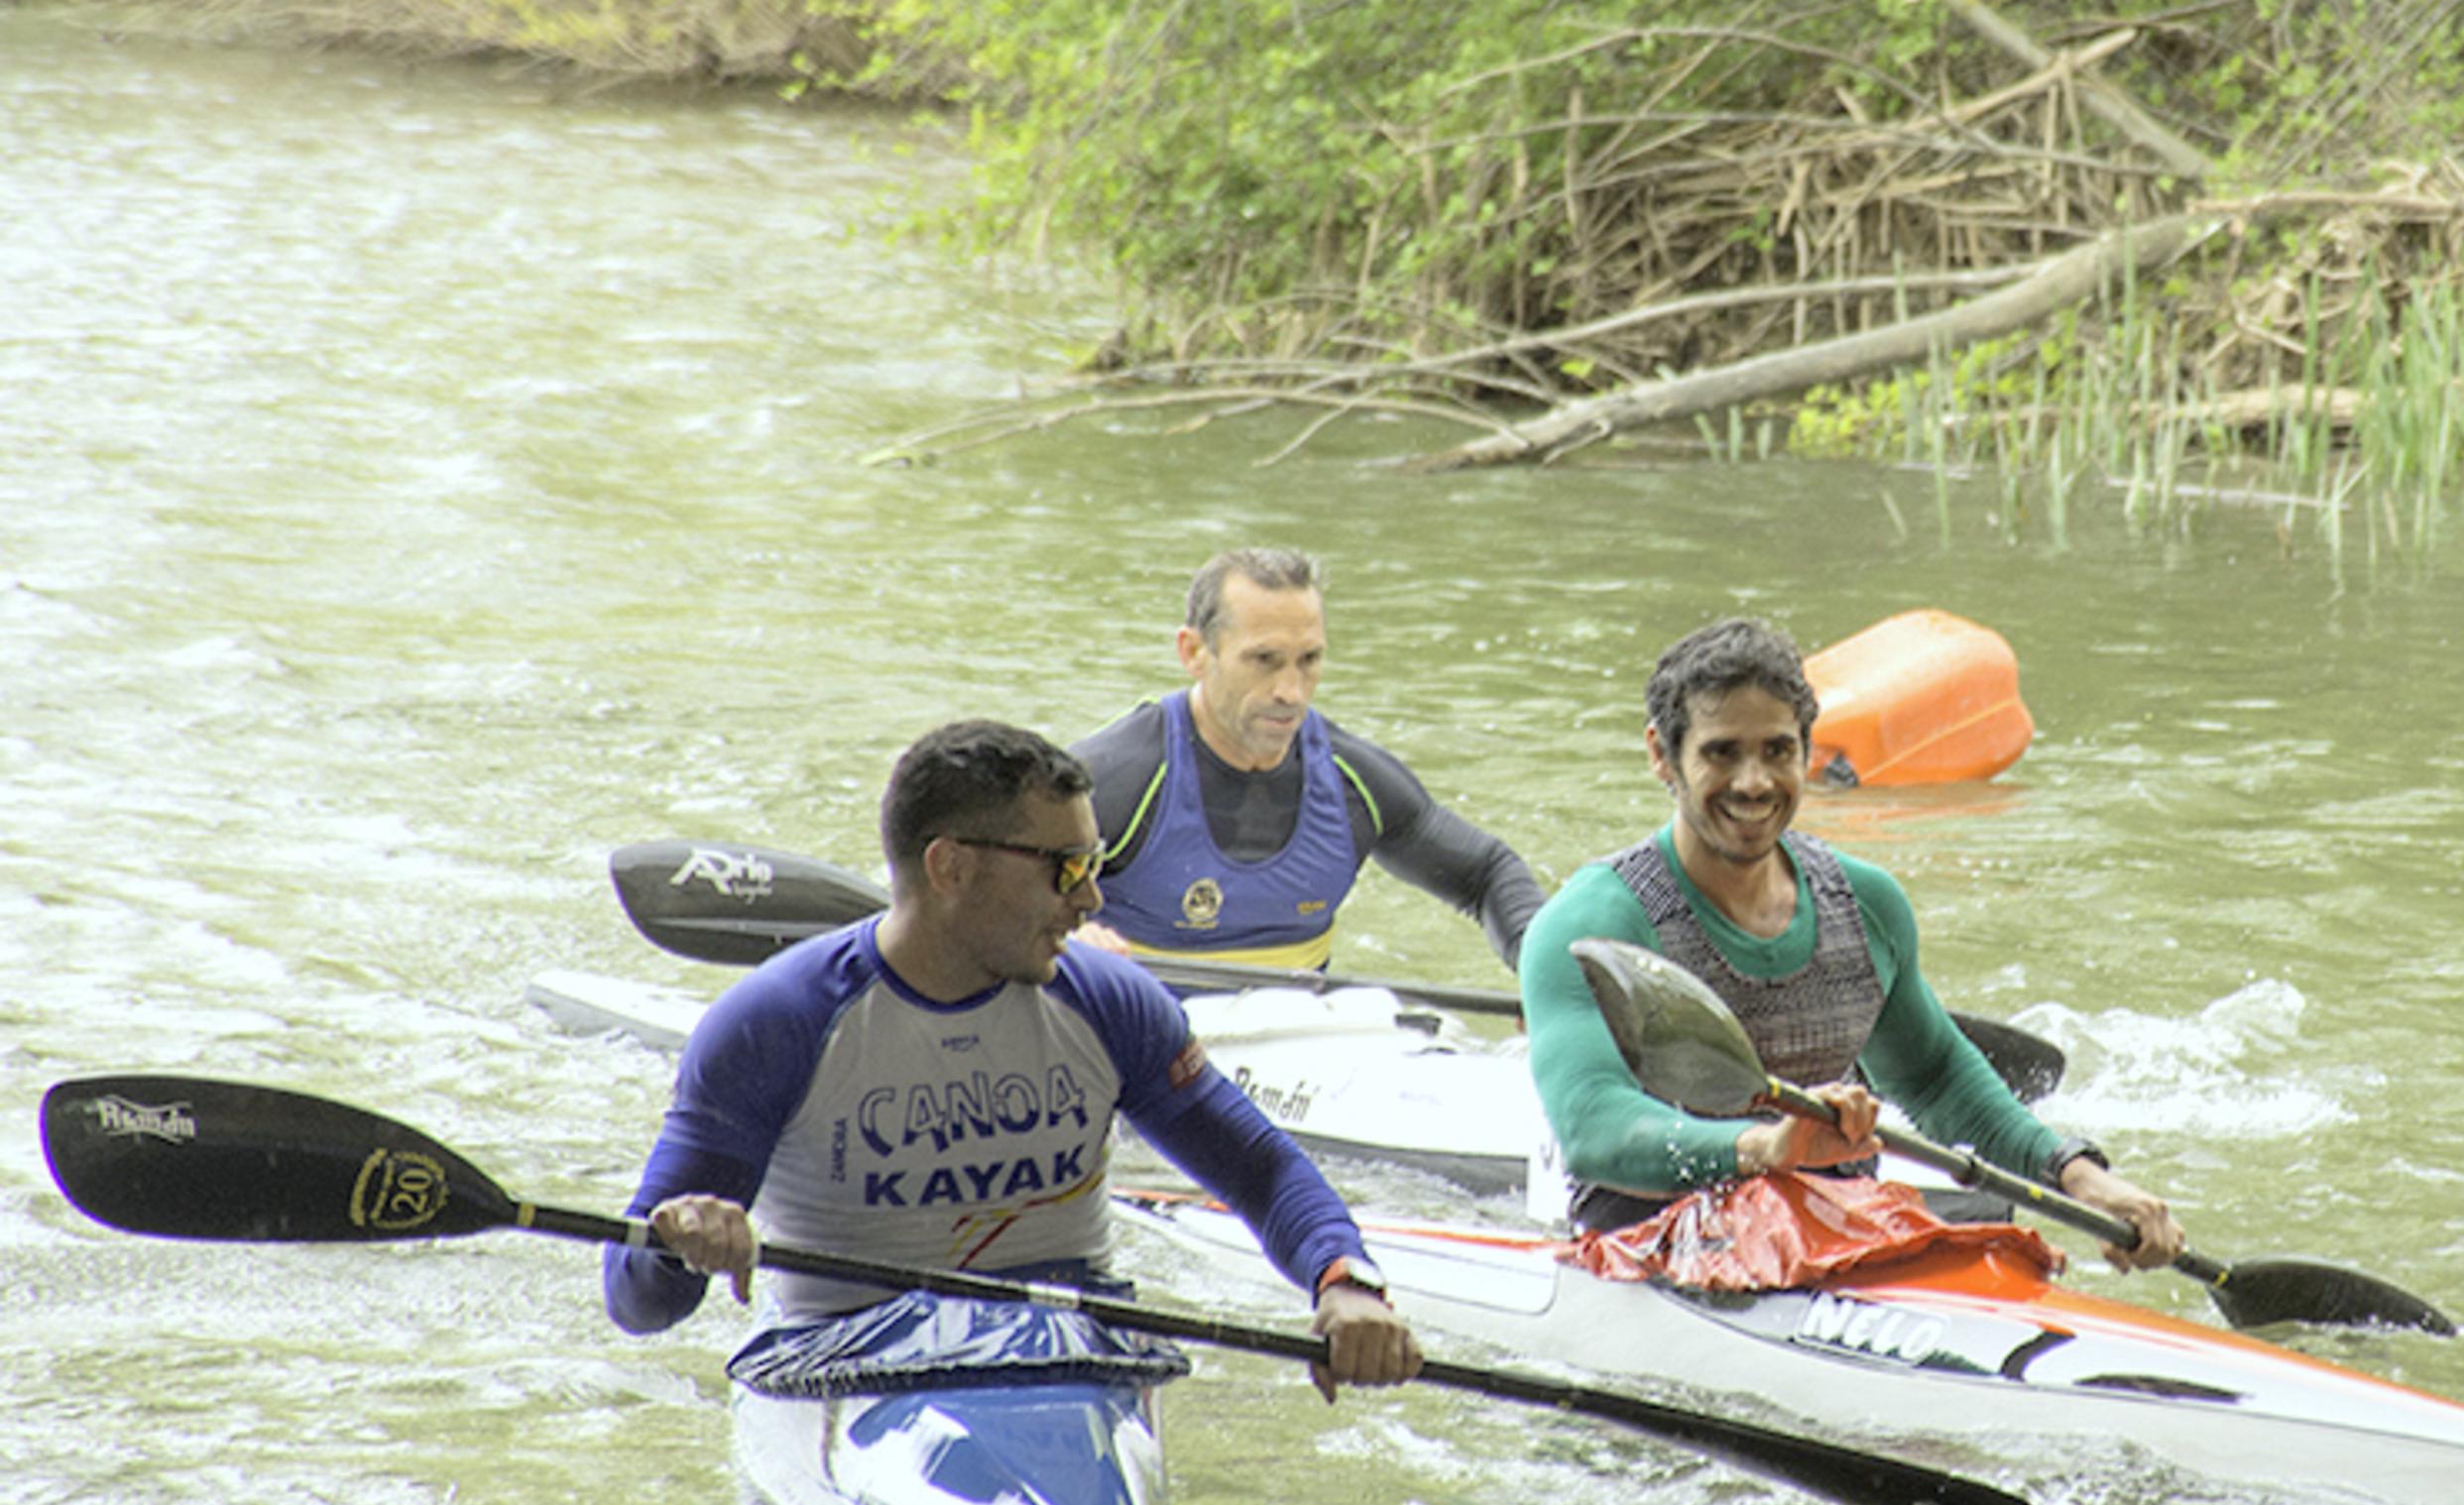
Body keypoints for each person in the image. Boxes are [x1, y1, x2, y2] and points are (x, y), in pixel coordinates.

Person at [606, 718, 1412, 1397]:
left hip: (1072, 1341)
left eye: (1095, 866)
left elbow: (1261, 1170)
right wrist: (681, 1244)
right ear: (950, 867)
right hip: (850, 1350)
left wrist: (1344, 1280)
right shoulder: (775, 1024)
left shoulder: (1110, 1003)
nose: (1091, 898)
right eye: (1066, 868)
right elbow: (635, 1304)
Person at [1518, 616, 2183, 1266]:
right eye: (1722, 752)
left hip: (1835, 1219)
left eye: (1778, 751)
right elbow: (1589, 1122)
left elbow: (1935, 1077)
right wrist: (1764, 1147)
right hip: (1646, 1232)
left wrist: (2075, 1172)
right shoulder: (1587, 925)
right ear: (1661, 755)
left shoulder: (1865, 902)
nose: (1753, 783)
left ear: (1807, 753)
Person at [1073, 547, 1542, 975]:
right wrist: (1061, 939)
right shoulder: (1113, 780)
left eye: (1309, 660)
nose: (1290, 692)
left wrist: (1545, 975)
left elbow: (1488, 875)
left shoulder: (1355, 783)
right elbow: (1000, 895)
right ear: (1194, 652)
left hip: (1289, 1044)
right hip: (1137, 1037)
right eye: (1264, 660)